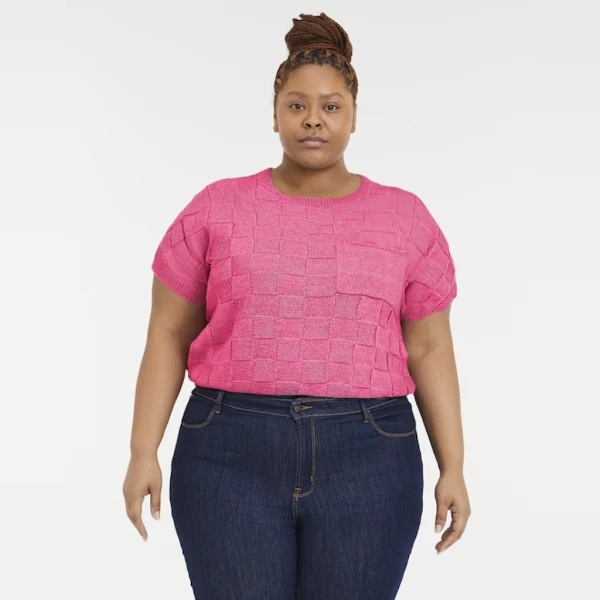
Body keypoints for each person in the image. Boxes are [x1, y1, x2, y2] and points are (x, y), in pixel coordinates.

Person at [122, 11, 471, 600]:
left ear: (354, 115)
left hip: (370, 456)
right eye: (297, 105)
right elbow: (167, 333)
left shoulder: (405, 219)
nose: (313, 119)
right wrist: (142, 451)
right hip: (228, 450)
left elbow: (430, 345)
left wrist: (453, 466)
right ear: (275, 113)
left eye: (331, 106)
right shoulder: (216, 208)